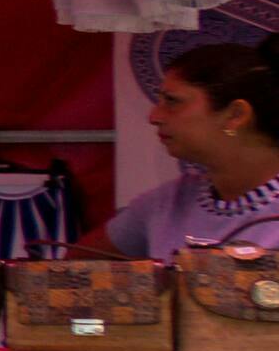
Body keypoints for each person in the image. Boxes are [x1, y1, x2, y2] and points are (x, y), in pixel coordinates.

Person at [97, 39, 279, 258]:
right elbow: (71, 274)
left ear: (235, 115)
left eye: (172, 101)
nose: (154, 117)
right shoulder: (166, 204)